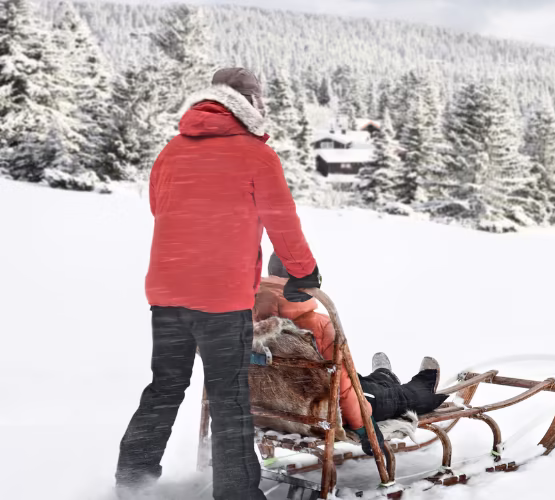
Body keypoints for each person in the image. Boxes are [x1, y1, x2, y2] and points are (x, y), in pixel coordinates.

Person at [116, 68, 321, 500]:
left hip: (168, 294)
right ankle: (237, 494)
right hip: (222, 300)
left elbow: (160, 207)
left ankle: (132, 482)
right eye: (260, 101)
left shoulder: (172, 150)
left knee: (165, 386)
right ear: (248, 103)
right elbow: (282, 222)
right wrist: (304, 272)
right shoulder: (256, 155)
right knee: (229, 397)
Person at [255, 253, 449, 453]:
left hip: (280, 409)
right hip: (324, 413)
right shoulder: (318, 324)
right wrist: (365, 429)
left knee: (361, 382)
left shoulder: (251, 323)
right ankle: (423, 385)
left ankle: (383, 376)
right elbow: (344, 387)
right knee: (394, 397)